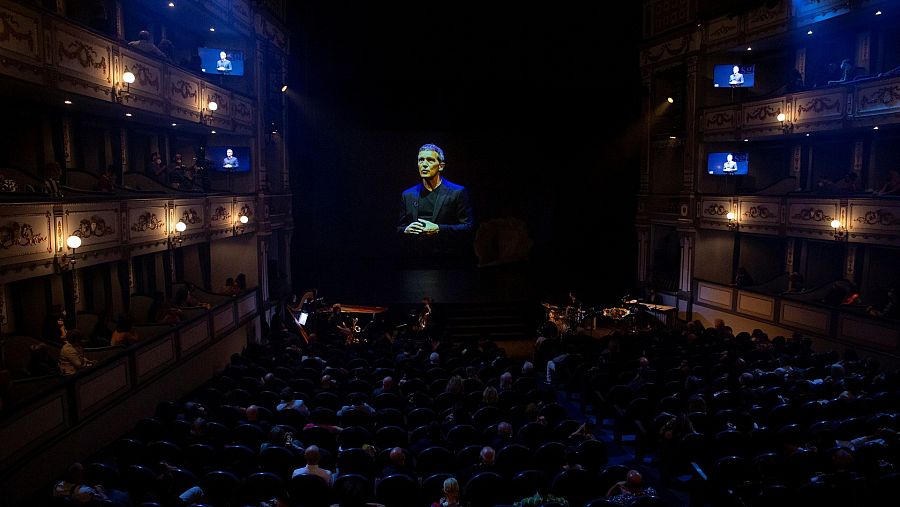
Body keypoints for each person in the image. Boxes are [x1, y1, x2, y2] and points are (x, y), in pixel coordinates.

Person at [397, 144, 474, 237]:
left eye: (430, 160)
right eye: (421, 160)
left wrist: (438, 228)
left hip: (445, 249)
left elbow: (468, 227)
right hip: (416, 249)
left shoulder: (457, 192)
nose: (424, 164)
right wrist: (406, 230)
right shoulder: (407, 195)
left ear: (440, 166)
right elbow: (399, 228)